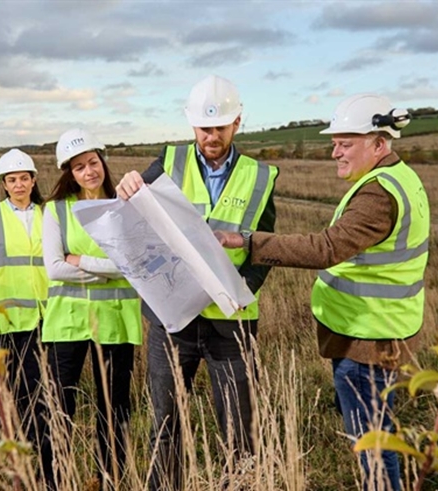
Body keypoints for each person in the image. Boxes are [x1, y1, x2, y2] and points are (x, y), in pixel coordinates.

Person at [215, 94, 427, 490]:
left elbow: (326, 248)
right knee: (378, 441)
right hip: (378, 331)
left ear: (379, 143)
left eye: (345, 143)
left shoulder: (378, 194)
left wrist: (247, 240)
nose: (335, 152)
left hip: (368, 340)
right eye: (334, 143)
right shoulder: (399, 178)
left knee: (375, 450)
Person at [116, 74, 278, 489]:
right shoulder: (168, 162)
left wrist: (242, 290)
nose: (212, 135)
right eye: (204, 128)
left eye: (220, 126)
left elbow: (265, 247)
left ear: (237, 123)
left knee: (239, 431)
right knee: (166, 426)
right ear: (192, 126)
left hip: (232, 325)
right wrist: (127, 185)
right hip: (173, 323)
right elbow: (132, 222)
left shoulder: (259, 178)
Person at [41, 128, 142, 490]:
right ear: (69, 173)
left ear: (103, 162)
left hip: (115, 324)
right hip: (67, 324)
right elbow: (54, 267)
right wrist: (111, 269)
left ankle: (111, 480)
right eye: (79, 167)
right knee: (59, 409)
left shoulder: (126, 206)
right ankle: (55, 481)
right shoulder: (55, 210)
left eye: (93, 162)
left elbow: (135, 265)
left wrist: (81, 261)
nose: (89, 171)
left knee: (114, 412)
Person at [0, 148, 47, 468]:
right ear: (3, 183)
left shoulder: (49, 215)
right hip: (2, 318)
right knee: (9, 388)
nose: (18, 185)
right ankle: (12, 447)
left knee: (37, 387)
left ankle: (34, 445)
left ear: (33, 180)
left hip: (42, 316)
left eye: (24, 178)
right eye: (12, 180)